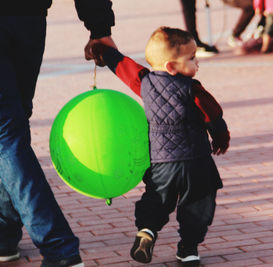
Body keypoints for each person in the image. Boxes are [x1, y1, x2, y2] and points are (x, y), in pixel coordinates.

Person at [90, 26, 230, 266]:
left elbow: (123, 67)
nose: (197, 63)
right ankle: (188, 248)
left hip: (161, 162)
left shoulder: (144, 82)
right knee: (199, 203)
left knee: (157, 198)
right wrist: (220, 136)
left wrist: (103, 51)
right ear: (171, 67)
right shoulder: (193, 88)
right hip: (196, 161)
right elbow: (212, 114)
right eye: (192, 58)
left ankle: (147, 230)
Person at [0, 2, 116, 267]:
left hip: (27, 16)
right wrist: (99, 26)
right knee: (11, 129)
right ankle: (4, 233)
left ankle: (59, 247)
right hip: (28, 19)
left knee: (6, 133)